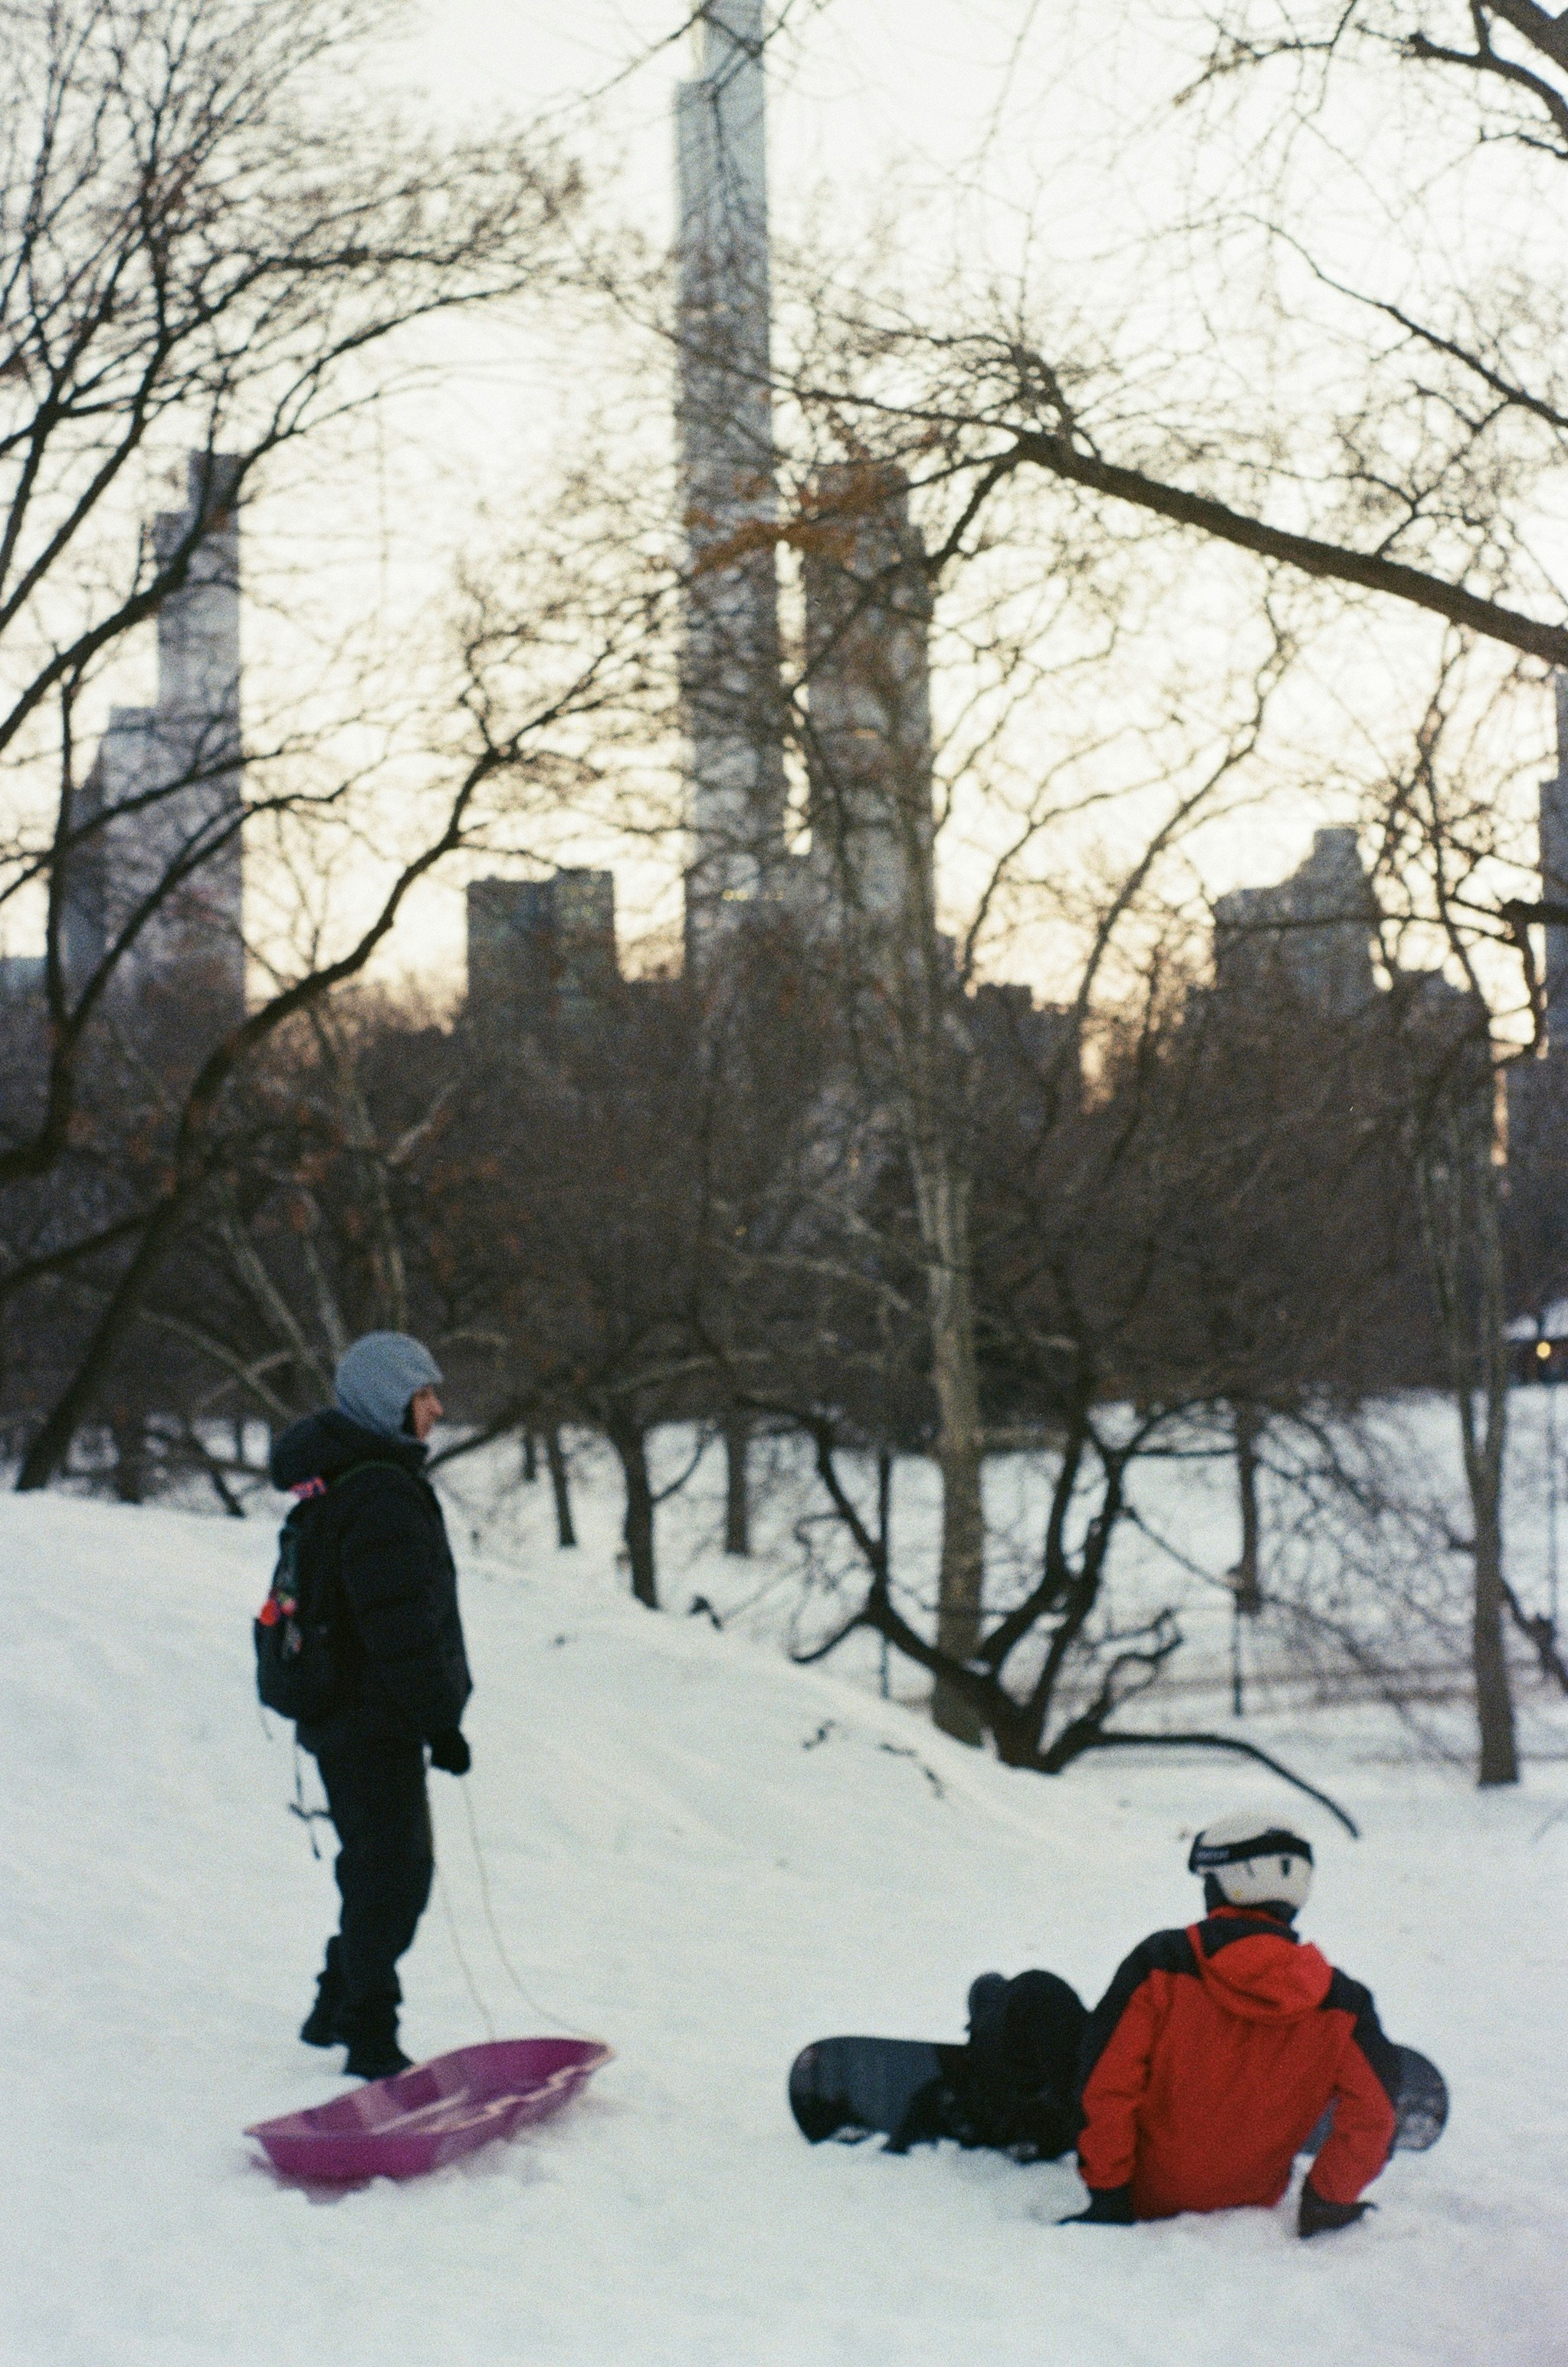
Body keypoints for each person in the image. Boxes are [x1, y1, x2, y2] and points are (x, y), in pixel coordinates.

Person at [269, 1331, 472, 2080]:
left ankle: (334, 2003)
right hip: (370, 1719)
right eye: (424, 1395)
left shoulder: (348, 1479)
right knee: (395, 1877)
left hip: (346, 1714)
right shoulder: (381, 1492)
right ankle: (369, 2032)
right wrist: (439, 1722)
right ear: (391, 1402)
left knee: (376, 1868)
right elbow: (400, 1627)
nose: (437, 1409)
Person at [1066, 1807, 1400, 2236]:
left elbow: (1106, 2083)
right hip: (1253, 2200)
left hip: (1147, 2195)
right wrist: (1328, 2198)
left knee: (1039, 1998)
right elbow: (1376, 2114)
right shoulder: (1342, 1999)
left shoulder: (1163, 1962)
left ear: (1229, 1882)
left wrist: (1108, 2191)